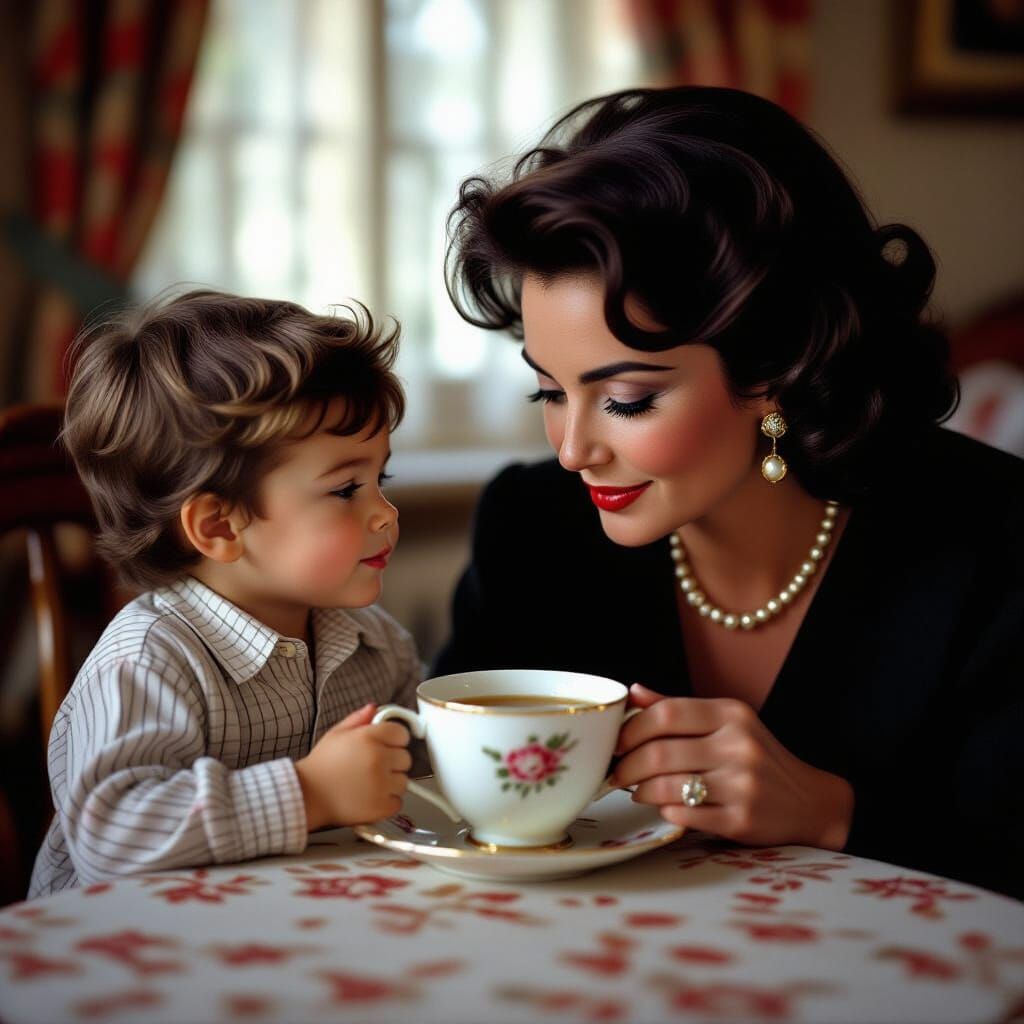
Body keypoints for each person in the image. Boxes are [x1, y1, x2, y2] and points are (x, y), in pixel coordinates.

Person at [436, 87, 1024, 899]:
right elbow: (443, 803)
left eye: (627, 399)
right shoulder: (530, 528)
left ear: (778, 364)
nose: (574, 450)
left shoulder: (996, 543)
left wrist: (833, 812)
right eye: (548, 392)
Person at [30, 290, 424, 897]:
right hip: (130, 956)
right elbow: (111, 838)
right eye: (347, 489)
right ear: (219, 527)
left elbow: (425, 774)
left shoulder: (376, 644)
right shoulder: (149, 660)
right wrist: (311, 791)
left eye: (382, 477)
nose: (385, 513)